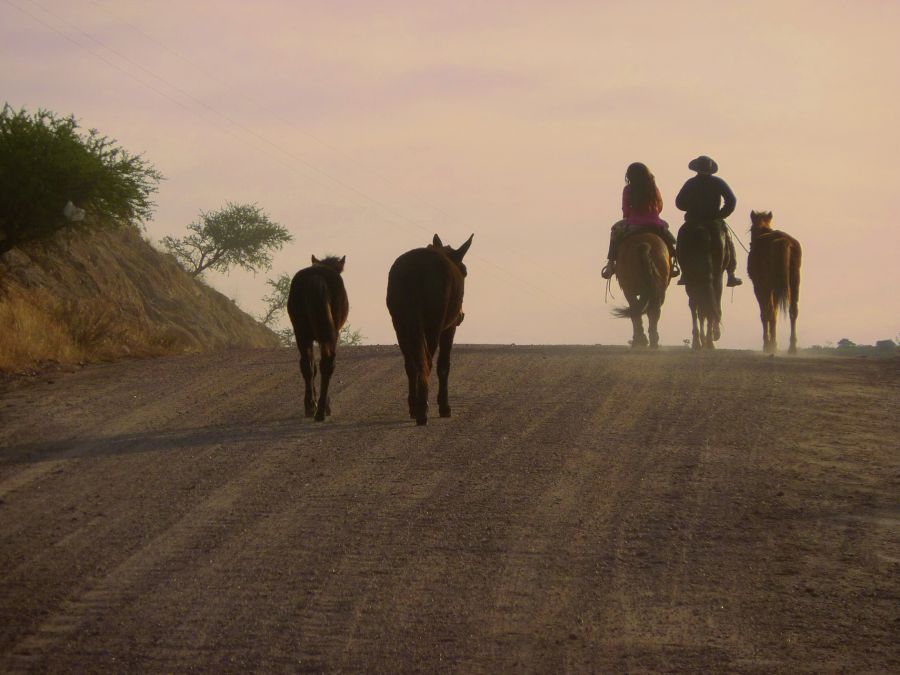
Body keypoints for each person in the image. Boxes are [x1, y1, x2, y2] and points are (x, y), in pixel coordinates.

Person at [600, 162, 679, 280]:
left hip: (634, 223)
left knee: (614, 232)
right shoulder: (653, 188)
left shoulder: (628, 189)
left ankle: (610, 264)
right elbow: (660, 206)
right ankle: (673, 263)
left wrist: (629, 217)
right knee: (670, 238)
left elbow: (626, 210)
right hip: (655, 223)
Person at [674, 155, 743, 286]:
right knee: (728, 242)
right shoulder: (718, 182)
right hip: (713, 220)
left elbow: (679, 203)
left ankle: (684, 272)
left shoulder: (690, 183)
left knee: (681, 239)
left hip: (693, 221)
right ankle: (731, 274)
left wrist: (689, 207)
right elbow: (731, 200)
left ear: (696, 169)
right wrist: (721, 214)